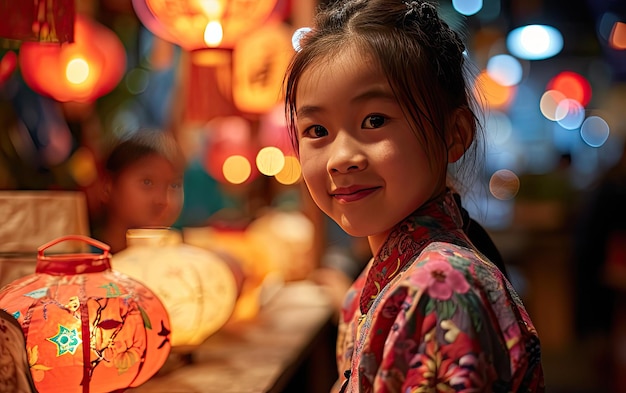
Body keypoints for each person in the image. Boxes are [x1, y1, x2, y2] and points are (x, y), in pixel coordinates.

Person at [283, 0, 544, 391]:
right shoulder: (381, 279)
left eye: (374, 121)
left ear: (455, 134)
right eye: (317, 131)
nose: (340, 159)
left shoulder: (440, 290)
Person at [91, 128, 185, 254]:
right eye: (147, 182)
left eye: (174, 185)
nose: (162, 200)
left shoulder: (180, 265)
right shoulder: (83, 264)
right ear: (107, 187)